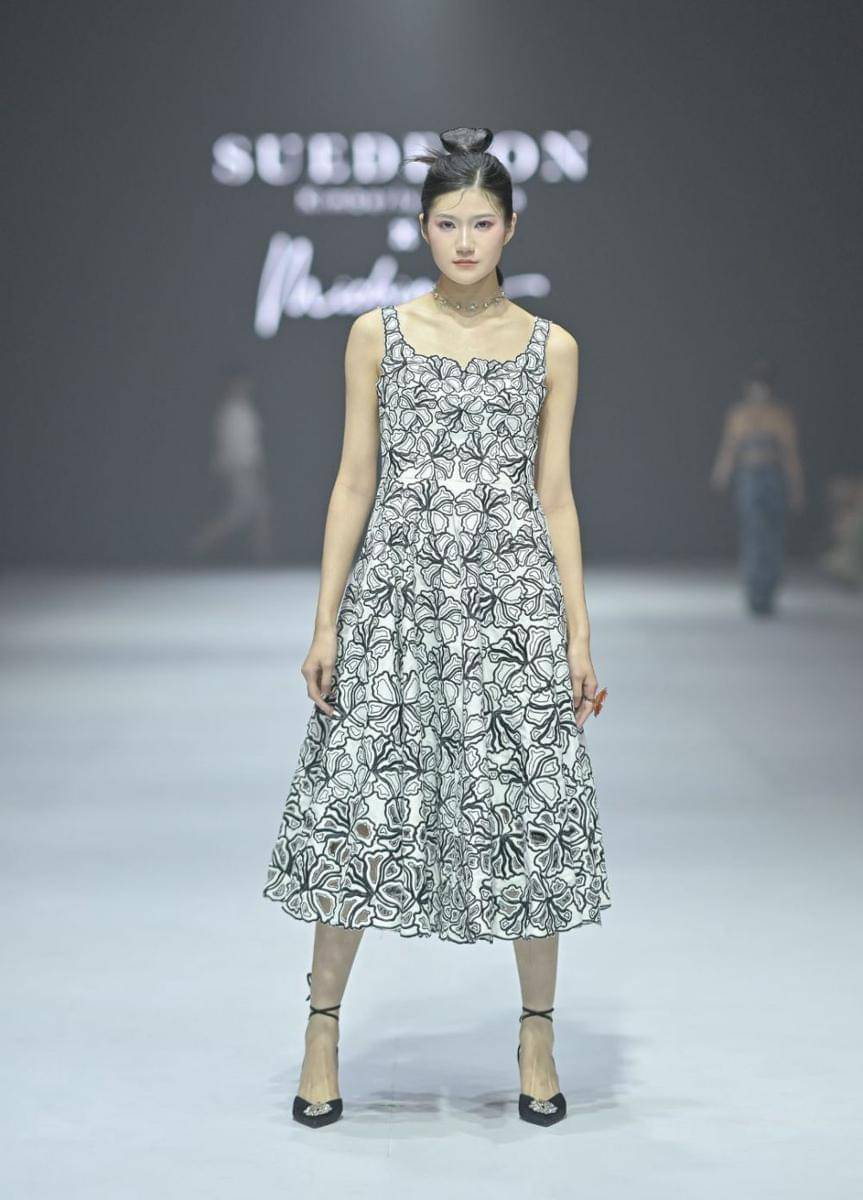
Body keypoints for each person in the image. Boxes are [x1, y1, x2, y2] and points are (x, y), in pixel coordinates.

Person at [262, 126, 611, 1129]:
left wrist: (577, 635)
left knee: (526, 811)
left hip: (512, 608)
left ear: (510, 228)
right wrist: (325, 622)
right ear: (422, 228)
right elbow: (352, 481)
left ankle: (535, 1034)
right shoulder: (376, 334)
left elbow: (555, 496)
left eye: (481, 224)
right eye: (448, 223)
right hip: (394, 603)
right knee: (358, 810)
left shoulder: (551, 347)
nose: (464, 241)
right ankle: (321, 1031)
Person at [710, 361, 805, 614]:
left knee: (772, 533)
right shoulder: (739, 415)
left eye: (763, 386)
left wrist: (796, 487)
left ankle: (768, 589)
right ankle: (754, 591)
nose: (759, 391)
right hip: (749, 475)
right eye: (756, 386)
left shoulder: (780, 415)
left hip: (772, 475)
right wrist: (722, 472)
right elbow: (730, 446)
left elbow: (790, 453)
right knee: (754, 532)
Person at [189, 372, 273, 563]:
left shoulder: (243, 409)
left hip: (246, 466)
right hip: (239, 467)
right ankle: (200, 543)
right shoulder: (231, 412)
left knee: (261, 509)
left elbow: (252, 442)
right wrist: (244, 468)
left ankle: (263, 556)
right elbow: (233, 445)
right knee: (242, 511)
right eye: (242, 383)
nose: (247, 386)